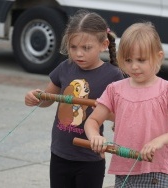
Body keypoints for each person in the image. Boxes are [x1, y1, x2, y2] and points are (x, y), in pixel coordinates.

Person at [84, 22, 168, 187]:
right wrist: (95, 136)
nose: (134, 66)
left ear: (158, 56)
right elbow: (92, 121)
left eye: (141, 60)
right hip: (124, 171)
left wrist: (160, 140)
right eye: (128, 60)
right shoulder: (114, 90)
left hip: (156, 173)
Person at [24, 10, 124, 188]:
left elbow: (122, 114)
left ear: (103, 44)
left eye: (86, 48)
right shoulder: (65, 67)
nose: (78, 54)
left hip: (90, 157)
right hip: (60, 153)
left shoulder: (113, 75)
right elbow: (48, 99)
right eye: (73, 47)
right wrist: (36, 99)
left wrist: (105, 114)